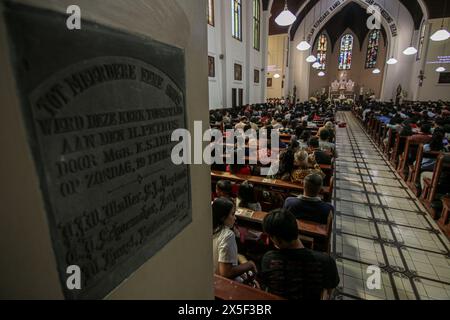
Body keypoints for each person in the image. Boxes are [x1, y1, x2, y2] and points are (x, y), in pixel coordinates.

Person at [260, 209, 340, 300]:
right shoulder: (326, 261)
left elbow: (266, 284)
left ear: (277, 239)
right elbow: (330, 289)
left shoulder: (268, 259)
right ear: (296, 227)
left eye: (270, 236)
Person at [212, 198, 257, 281]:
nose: (235, 218)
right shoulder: (227, 235)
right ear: (222, 217)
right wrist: (250, 264)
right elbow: (226, 272)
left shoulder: (210, 229)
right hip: (223, 283)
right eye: (232, 214)